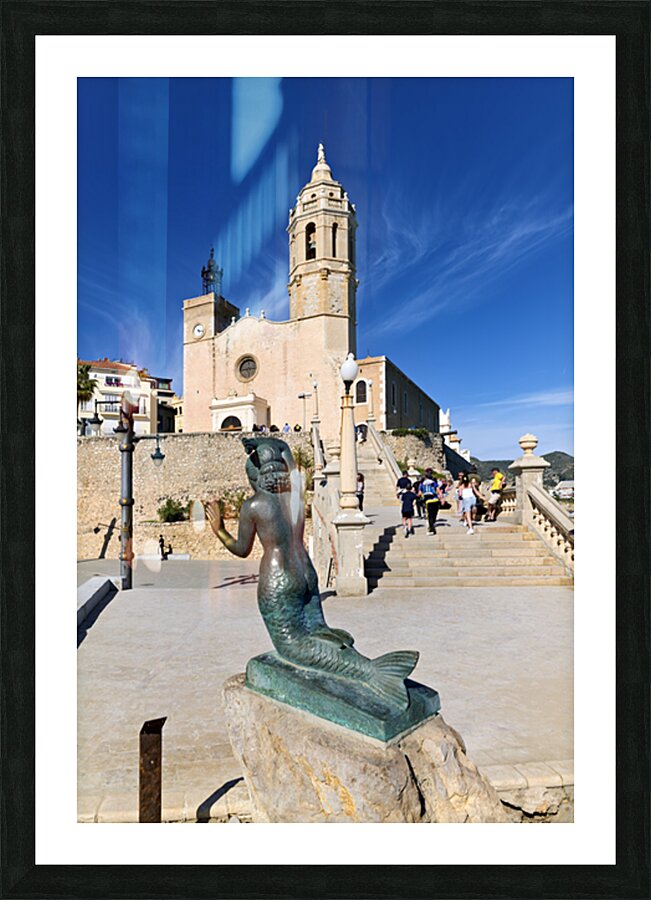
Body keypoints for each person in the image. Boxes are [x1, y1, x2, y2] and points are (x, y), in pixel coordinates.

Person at [420, 468, 444, 535]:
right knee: (434, 514)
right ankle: (432, 524)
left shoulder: (422, 484)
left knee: (429, 515)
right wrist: (442, 499)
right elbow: (438, 491)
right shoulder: (434, 483)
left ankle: (431, 529)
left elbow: (419, 493)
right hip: (435, 500)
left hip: (428, 501)